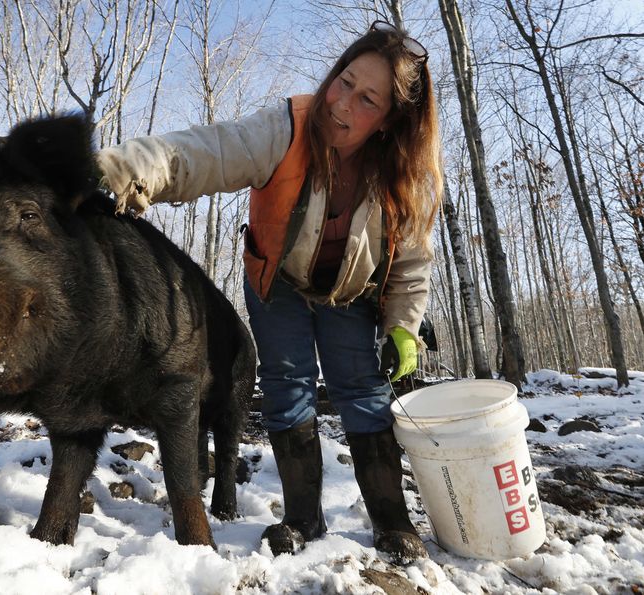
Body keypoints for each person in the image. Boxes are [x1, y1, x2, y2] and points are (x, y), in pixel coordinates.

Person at [96, 20, 442, 565]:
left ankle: (391, 519)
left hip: (349, 294)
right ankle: (302, 517)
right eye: (344, 81)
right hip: (276, 280)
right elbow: (206, 150)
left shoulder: (407, 176)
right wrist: (125, 170)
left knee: (362, 390)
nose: (342, 104)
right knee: (287, 385)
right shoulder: (288, 125)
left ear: (391, 122)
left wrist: (403, 326)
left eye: (368, 98)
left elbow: (412, 264)